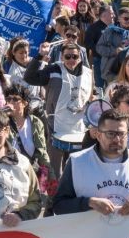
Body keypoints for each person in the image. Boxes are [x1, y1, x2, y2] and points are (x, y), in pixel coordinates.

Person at [53, 109, 129, 215]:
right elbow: (58, 206)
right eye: (111, 134)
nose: (117, 139)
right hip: (90, 233)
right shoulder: (76, 161)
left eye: (121, 134)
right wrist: (88, 203)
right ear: (99, 135)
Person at [25, 41, 94, 177]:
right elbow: (29, 78)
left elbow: (92, 95)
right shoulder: (54, 70)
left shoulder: (88, 73)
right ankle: (53, 197)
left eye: (74, 56)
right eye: (67, 57)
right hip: (55, 127)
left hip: (78, 128)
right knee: (54, 170)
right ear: (62, 57)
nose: (71, 60)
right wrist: (39, 56)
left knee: (75, 169)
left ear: (80, 57)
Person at [5, 83, 53, 199]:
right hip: (10, 176)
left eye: (15, 99)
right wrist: (2, 115)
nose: (11, 102)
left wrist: (51, 181)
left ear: (25, 103)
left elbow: (42, 153)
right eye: (8, 99)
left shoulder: (35, 122)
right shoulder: (3, 123)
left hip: (30, 173)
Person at [96, 6, 129, 83]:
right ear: (119, 19)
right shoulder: (110, 31)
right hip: (113, 71)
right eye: (126, 18)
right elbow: (99, 47)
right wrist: (114, 51)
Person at [83, 5, 113, 89]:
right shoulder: (93, 28)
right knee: (100, 86)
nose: (113, 14)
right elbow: (88, 42)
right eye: (111, 13)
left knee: (111, 86)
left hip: (112, 61)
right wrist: (101, 50)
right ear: (103, 15)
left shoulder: (113, 27)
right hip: (99, 61)